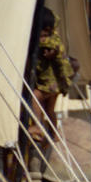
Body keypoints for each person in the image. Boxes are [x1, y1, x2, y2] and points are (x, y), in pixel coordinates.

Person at [29, 8, 74, 142]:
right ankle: (55, 134)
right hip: (55, 83)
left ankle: (38, 126)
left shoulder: (50, 42)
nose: (42, 38)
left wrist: (52, 53)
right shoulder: (53, 36)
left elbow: (55, 52)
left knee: (35, 97)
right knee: (50, 109)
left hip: (50, 84)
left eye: (44, 35)